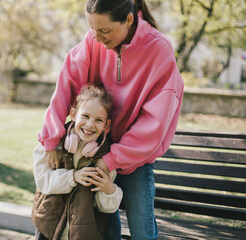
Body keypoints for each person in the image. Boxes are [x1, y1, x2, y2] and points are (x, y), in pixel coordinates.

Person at [38, 0, 184, 239]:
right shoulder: (92, 42)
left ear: (129, 19)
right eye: (92, 29)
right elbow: (65, 88)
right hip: (93, 150)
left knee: (142, 234)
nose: (97, 38)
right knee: (105, 230)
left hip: (134, 158)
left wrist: (112, 159)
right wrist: (51, 140)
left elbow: (155, 121)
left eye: (104, 31)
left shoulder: (159, 49)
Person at [32, 84, 123, 240]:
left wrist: (110, 191)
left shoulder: (106, 157)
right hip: (48, 225)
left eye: (98, 120)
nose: (89, 125)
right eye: (85, 116)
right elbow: (42, 182)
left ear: (107, 124)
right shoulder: (52, 145)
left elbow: (105, 208)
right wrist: (73, 177)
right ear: (73, 114)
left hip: (83, 231)